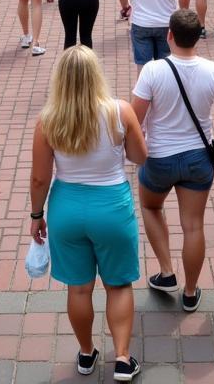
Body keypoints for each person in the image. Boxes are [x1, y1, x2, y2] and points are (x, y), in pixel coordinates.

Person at [30, 46, 147, 381]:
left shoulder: (48, 119)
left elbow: (39, 178)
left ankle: (85, 353)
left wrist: (36, 215)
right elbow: (140, 157)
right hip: (111, 207)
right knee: (119, 284)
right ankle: (122, 358)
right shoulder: (119, 111)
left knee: (78, 289)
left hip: (66, 208)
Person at [131, 9, 214, 312]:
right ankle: (190, 292)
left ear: (169, 36)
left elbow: (135, 119)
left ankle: (166, 272)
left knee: (151, 206)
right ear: (198, 37)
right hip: (198, 159)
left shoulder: (152, 70)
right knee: (193, 226)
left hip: (159, 158)